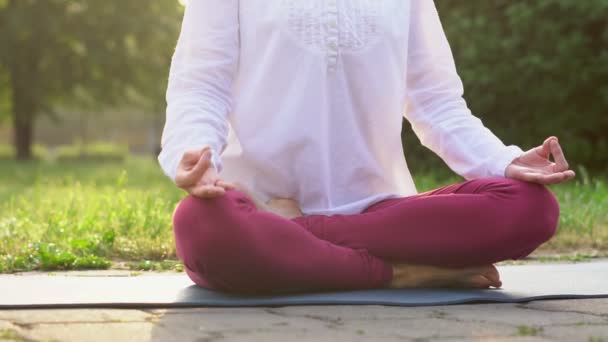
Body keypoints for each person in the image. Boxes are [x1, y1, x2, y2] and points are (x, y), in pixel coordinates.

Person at [158, 1, 576, 294]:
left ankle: (298, 241)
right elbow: (201, 85)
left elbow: (436, 101)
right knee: (202, 225)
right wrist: (195, 152)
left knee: (531, 207)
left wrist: (503, 160)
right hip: (256, 204)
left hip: (376, 211)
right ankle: (403, 274)